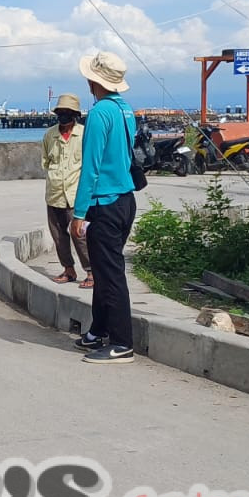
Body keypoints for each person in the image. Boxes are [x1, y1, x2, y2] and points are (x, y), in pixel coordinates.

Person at [69, 52, 139, 364]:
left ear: (92, 80)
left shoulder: (99, 114)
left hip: (104, 203)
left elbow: (91, 167)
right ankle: (98, 330)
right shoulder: (125, 111)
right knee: (103, 268)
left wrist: (79, 212)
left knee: (110, 275)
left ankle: (122, 342)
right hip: (125, 199)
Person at [41, 94, 91, 287]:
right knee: (58, 235)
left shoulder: (84, 134)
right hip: (54, 192)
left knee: (79, 234)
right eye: (60, 112)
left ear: (75, 114)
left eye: (67, 112)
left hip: (76, 192)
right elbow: (46, 161)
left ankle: (91, 271)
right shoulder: (49, 135)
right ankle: (68, 269)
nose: (63, 115)